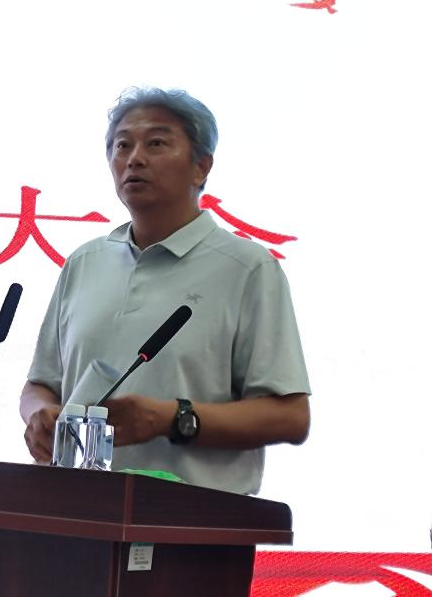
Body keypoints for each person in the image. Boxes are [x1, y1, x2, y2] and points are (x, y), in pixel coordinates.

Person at [20, 87, 310, 495]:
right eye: (122, 145)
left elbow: (291, 418)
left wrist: (170, 419)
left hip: (192, 519)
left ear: (201, 167)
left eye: (156, 143)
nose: (134, 159)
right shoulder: (85, 262)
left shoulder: (247, 268)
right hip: (74, 509)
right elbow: (41, 384)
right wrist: (39, 415)